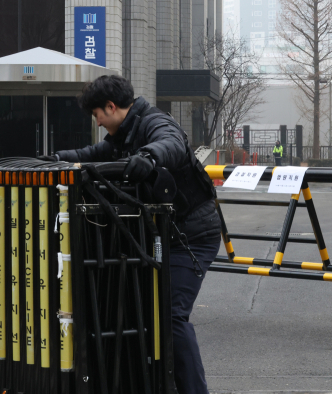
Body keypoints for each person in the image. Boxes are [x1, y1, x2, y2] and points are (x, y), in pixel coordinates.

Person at [38, 75, 221, 394]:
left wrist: (149, 158)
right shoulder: (122, 135)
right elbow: (93, 154)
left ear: (110, 107)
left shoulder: (154, 122)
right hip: (157, 234)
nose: (97, 122)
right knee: (140, 312)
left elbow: (172, 144)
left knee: (171, 317)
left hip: (190, 235)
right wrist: (55, 160)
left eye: (96, 115)